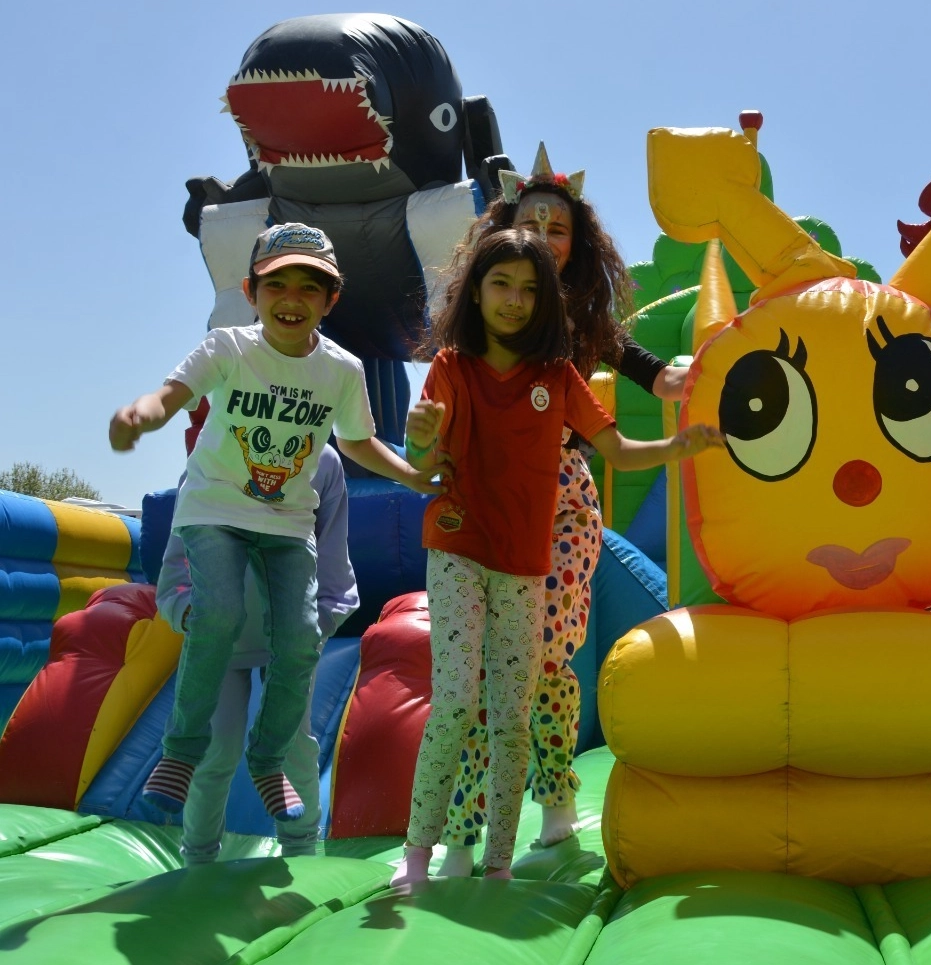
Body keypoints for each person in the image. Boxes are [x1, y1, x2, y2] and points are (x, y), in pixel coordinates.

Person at [391, 228, 721, 886]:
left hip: (525, 559)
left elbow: (619, 448)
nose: (514, 300)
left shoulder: (556, 375)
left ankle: (498, 865)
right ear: (476, 291)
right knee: (459, 698)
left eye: (529, 289)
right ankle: (419, 852)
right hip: (459, 547)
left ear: (548, 300)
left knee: (514, 711)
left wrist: (678, 448)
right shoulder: (454, 366)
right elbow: (423, 463)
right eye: (501, 285)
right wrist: (418, 437)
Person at [109, 223, 442, 820]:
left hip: (288, 521)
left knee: (298, 641)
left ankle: (267, 760)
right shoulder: (229, 350)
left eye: (309, 289)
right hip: (215, 508)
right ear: (252, 292)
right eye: (277, 285)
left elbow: (359, 444)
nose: (292, 299)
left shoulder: (339, 370)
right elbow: (173, 392)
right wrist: (144, 414)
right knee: (219, 611)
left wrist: (413, 476)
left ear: (330, 300)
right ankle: (181, 751)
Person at [436, 145, 689, 875]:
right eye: (531, 222)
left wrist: (699, 375)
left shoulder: (581, 322)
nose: (545, 235)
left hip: (566, 499)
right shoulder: (477, 325)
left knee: (547, 656)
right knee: (486, 667)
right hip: (489, 496)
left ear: (574, 245)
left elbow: (651, 370)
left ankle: (553, 793)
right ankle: (461, 825)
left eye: (558, 227)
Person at [155, 445, 358, 863]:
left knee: (295, 745)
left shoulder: (322, 462)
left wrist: (311, 629)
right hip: (219, 640)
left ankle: (301, 852)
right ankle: (198, 859)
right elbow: (177, 566)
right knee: (216, 748)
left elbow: (335, 564)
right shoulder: (211, 456)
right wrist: (194, 614)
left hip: (288, 638)